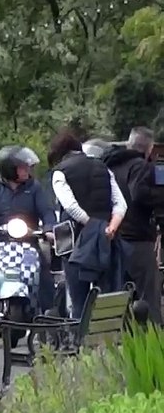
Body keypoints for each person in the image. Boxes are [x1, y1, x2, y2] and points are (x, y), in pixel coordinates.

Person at [0, 146, 58, 322]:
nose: (28, 170)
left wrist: (48, 229)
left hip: (28, 242)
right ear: (10, 169)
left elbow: (47, 212)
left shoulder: (35, 188)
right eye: (23, 167)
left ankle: (48, 313)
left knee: (44, 269)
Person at [48, 129, 127, 322]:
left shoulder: (60, 172)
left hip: (74, 242)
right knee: (106, 295)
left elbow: (71, 207)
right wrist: (110, 228)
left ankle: (81, 342)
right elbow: (121, 204)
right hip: (106, 239)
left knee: (79, 298)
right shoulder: (103, 168)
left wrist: (91, 224)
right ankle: (107, 341)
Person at [103, 127, 162, 323]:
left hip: (114, 237)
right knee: (149, 293)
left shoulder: (109, 166)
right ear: (148, 148)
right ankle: (152, 339)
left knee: (120, 295)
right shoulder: (140, 166)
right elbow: (139, 194)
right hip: (137, 237)